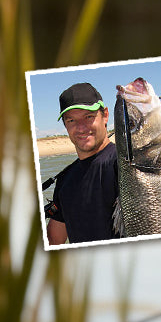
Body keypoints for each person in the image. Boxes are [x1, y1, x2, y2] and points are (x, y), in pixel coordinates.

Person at [46, 82, 118, 245]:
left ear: (105, 115)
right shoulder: (65, 179)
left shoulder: (126, 163)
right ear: (65, 125)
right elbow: (53, 240)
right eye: (71, 120)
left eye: (88, 117)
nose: (81, 127)